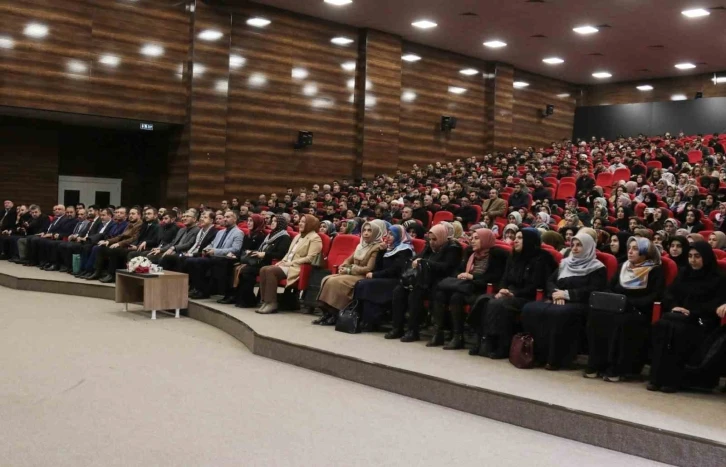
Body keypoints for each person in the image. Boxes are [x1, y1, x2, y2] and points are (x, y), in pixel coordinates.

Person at [521, 232, 607, 370]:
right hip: (557, 299)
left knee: (559, 314)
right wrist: (557, 293)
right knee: (530, 309)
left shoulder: (597, 268)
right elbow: (550, 281)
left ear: (589, 247)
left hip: (580, 303)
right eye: (573, 245)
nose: (574, 248)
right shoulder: (565, 263)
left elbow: (593, 289)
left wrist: (567, 295)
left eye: (579, 245)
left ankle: (556, 359)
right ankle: (536, 355)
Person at [649, 241, 725, 393]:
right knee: (662, 325)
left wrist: (692, 312)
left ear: (706, 257)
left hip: (702, 322)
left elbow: (716, 306)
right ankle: (657, 378)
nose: (692, 260)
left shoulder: (718, 278)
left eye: (697, 256)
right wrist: (675, 307)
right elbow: (669, 294)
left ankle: (672, 381)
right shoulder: (684, 273)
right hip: (678, 316)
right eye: (690, 256)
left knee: (677, 330)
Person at [586, 237, 664, 382]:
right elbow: (610, 287)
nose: (630, 251)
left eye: (635, 249)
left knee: (621, 322)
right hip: (616, 307)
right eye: (629, 248)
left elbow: (655, 295)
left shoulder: (655, 270)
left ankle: (617, 368)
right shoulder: (623, 266)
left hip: (638, 310)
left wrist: (629, 303)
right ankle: (597, 364)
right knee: (596, 317)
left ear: (645, 252)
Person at [471, 229, 556, 358]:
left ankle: (501, 345)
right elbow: (504, 278)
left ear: (529, 240)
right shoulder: (513, 256)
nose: (515, 240)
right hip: (509, 293)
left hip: (527, 297)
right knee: (483, 299)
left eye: (520, 238)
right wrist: (502, 289)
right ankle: (482, 340)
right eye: (515, 237)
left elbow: (537, 285)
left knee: (499, 304)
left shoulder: (542, 258)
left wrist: (513, 293)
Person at [429, 229, 506, 350]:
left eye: (476, 238)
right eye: (472, 238)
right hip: (465, 286)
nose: (472, 241)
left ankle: (458, 336)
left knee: (456, 297)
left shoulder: (496, 255)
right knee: (440, 293)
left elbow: (494, 277)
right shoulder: (470, 252)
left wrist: (473, 277)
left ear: (485, 240)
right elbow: (459, 269)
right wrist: (460, 275)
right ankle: (439, 333)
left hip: (482, 288)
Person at [385, 224, 462, 341]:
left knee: (415, 294)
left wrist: (425, 263)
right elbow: (419, 257)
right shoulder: (429, 246)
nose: (431, 242)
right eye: (430, 239)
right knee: (399, 290)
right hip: (423, 279)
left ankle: (413, 330)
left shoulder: (453, 248)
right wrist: (413, 260)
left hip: (439, 281)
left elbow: (447, 268)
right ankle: (397, 327)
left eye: (434, 239)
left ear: (442, 237)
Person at [313, 221, 384, 325]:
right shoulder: (361, 245)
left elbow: (369, 268)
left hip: (363, 276)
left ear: (376, 233)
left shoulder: (376, 247)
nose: (366, 233)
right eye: (364, 230)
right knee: (326, 279)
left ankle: (335, 313)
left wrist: (349, 270)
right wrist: (343, 265)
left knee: (336, 282)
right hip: (352, 273)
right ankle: (326, 312)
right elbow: (348, 259)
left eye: (369, 230)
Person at [256, 214, 322, 314]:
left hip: (298, 267)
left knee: (270, 271)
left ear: (310, 224)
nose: (300, 223)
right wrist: (282, 261)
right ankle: (265, 301)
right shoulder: (298, 236)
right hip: (287, 264)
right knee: (263, 269)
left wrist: (291, 263)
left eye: (303, 222)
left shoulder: (315, 238)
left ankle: (272, 303)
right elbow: (289, 253)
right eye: (300, 221)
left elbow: (310, 258)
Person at [353, 224, 414, 330]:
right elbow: (378, 267)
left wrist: (375, 275)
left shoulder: (405, 250)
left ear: (399, 236)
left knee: (367, 285)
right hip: (384, 278)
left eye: (392, 234)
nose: (388, 237)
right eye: (388, 234)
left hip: (396, 281)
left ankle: (371, 321)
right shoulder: (389, 248)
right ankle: (360, 318)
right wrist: (381, 252)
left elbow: (395, 270)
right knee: (361, 284)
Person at [224, 214, 292, 307]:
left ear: (281, 223)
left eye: (275, 221)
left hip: (270, 263)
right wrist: (255, 253)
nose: (272, 223)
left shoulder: (284, 237)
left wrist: (264, 254)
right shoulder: (270, 235)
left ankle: (248, 300)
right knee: (241, 268)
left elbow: (280, 254)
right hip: (260, 260)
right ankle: (241, 298)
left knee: (246, 270)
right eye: (272, 221)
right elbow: (261, 249)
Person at [186, 211, 245, 299]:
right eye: (224, 217)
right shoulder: (220, 232)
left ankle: (203, 291)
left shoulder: (238, 232)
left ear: (235, 219)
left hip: (226, 258)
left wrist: (215, 251)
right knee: (190, 260)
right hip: (214, 257)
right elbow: (212, 244)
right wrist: (206, 249)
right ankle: (197, 288)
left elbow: (235, 249)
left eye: (228, 217)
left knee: (199, 261)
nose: (225, 219)